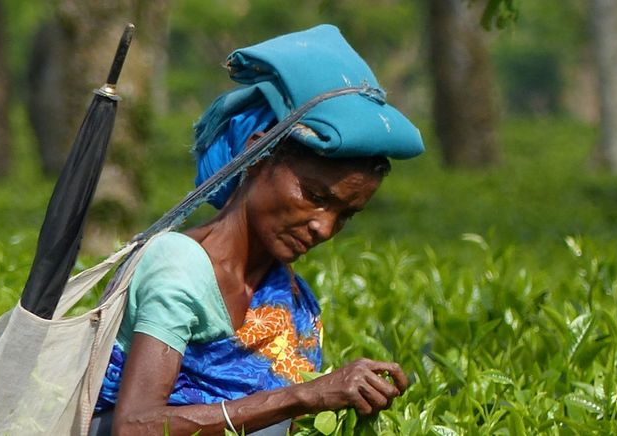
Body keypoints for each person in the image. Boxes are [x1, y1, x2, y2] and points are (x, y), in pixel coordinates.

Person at [90, 24, 424, 435]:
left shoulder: (287, 295)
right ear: (257, 152)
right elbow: (134, 425)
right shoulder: (181, 265)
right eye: (315, 195)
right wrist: (303, 396)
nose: (323, 226)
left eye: (345, 215)